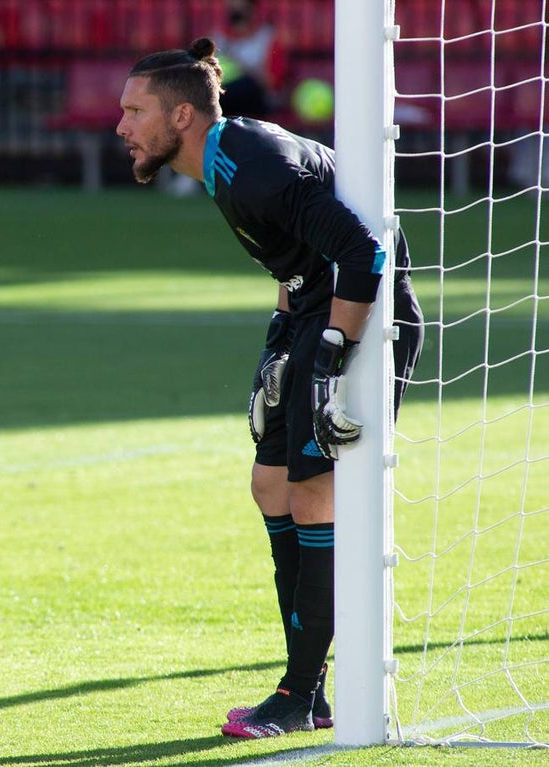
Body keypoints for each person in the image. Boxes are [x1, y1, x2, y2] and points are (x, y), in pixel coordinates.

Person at [115, 38, 423, 739]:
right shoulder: (223, 165)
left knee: (314, 494)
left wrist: (331, 355)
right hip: (316, 312)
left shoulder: (253, 167)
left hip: (367, 317)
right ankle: (305, 689)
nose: (122, 125)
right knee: (270, 484)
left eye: (135, 111)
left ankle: (299, 693)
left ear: (183, 116)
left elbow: (363, 253)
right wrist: (278, 345)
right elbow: (296, 260)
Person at [213, 0, 287, 119]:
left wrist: (242, 68)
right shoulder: (219, 39)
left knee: (246, 85)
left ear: (252, 8)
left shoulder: (266, 38)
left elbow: (272, 82)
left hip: (256, 102)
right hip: (223, 101)